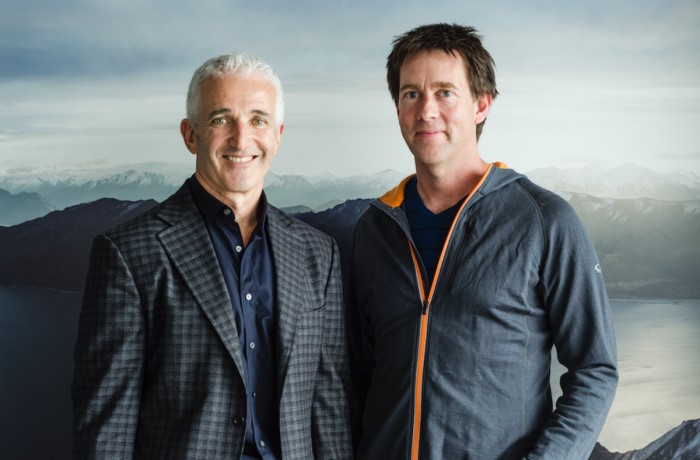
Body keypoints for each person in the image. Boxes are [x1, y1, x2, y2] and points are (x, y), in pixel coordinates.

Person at [348, 23, 618, 459]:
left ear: (481, 104)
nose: (426, 111)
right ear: (397, 107)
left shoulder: (544, 220)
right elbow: (361, 371)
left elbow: (595, 369)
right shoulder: (374, 229)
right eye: (411, 94)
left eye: (445, 93)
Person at [72, 53, 352, 459]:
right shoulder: (128, 253)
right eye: (222, 119)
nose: (241, 139)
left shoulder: (318, 254)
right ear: (190, 135)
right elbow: (107, 427)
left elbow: (329, 407)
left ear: (277, 136)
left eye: (258, 120)